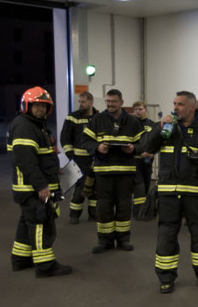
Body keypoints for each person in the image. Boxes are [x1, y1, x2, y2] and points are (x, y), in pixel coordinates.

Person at [145, 91, 198, 293]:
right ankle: (166, 278)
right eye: (174, 103)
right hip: (169, 192)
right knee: (167, 234)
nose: (175, 108)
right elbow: (147, 146)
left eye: (180, 104)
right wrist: (159, 127)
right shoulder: (167, 127)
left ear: (192, 107)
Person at [7, 87, 72, 277]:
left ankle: (20, 259)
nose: (40, 109)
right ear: (27, 105)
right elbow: (26, 161)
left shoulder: (35, 125)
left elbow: (40, 157)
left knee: (27, 223)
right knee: (40, 224)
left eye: (44, 106)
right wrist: (41, 186)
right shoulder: (24, 126)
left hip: (31, 187)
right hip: (32, 188)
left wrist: (54, 169)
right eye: (36, 105)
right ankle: (45, 265)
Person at [83, 89, 144, 253]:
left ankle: (124, 239)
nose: (110, 105)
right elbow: (86, 141)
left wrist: (132, 149)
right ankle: (105, 241)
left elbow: (143, 143)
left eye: (113, 102)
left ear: (121, 103)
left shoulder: (132, 121)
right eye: (108, 101)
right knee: (103, 208)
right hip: (103, 172)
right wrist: (97, 147)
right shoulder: (97, 119)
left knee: (124, 206)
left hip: (126, 172)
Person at [60, 91, 98, 223]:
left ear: (91, 102)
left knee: (95, 187)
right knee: (81, 187)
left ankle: (94, 214)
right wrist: (71, 156)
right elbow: (65, 138)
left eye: (83, 102)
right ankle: (74, 215)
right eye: (79, 102)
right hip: (79, 159)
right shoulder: (72, 118)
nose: (80, 104)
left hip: (96, 158)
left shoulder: (99, 117)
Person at [131, 100, 156, 219]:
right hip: (134, 160)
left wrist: (153, 152)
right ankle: (138, 213)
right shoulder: (129, 124)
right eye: (135, 109)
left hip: (148, 161)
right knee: (139, 186)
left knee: (146, 185)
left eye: (140, 109)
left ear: (145, 110)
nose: (138, 112)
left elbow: (157, 140)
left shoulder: (152, 124)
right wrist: (140, 152)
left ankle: (145, 210)